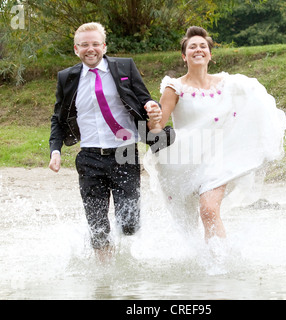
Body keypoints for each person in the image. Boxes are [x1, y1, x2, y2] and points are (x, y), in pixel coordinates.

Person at [145, 26, 286, 243]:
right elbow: (157, 128)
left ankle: (218, 263)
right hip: (182, 162)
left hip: (218, 159)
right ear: (184, 56)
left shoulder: (229, 83)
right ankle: (198, 261)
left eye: (203, 46)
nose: (198, 50)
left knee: (209, 211)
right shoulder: (174, 88)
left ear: (210, 54)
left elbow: (256, 101)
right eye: (192, 47)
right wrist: (153, 117)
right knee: (187, 223)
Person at [49, 22, 171, 262]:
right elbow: (58, 117)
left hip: (124, 153)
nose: (90, 49)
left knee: (129, 225)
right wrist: (56, 149)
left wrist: (150, 106)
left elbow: (144, 98)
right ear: (76, 49)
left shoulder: (124, 67)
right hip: (89, 156)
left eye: (95, 44)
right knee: (97, 225)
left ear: (104, 46)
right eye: (84, 45)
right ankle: (105, 274)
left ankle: (127, 261)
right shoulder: (67, 78)